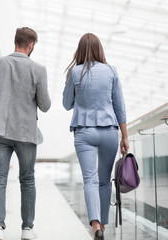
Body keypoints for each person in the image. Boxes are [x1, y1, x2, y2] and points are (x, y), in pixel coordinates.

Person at [0, 27, 51, 240]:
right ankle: (27, 229)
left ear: (15, 42)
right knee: (27, 180)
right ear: (31, 46)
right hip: (26, 132)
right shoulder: (38, 69)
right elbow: (45, 105)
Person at [62, 33, 128, 240]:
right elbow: (120, 106)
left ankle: (95, 225)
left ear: (79, 50)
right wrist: (125, 137)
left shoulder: (75, 72)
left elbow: (66, 104)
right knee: (104, 182)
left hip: (84, 131)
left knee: (89, 180)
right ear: (100, 49)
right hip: (109, 131)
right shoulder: (111, 71)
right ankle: (104, 226)